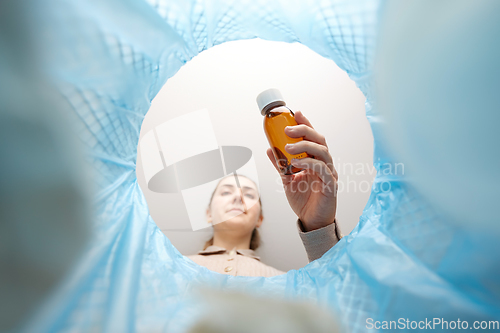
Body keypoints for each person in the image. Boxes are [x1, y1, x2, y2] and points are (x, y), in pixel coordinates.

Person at [187, 111, 343, 277]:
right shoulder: (168, 265)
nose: (238, 197)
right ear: (208, 213)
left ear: (259, 219)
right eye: (226, 192)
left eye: (249, 195)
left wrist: (319, 228)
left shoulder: (285, 281)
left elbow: (342, 298)